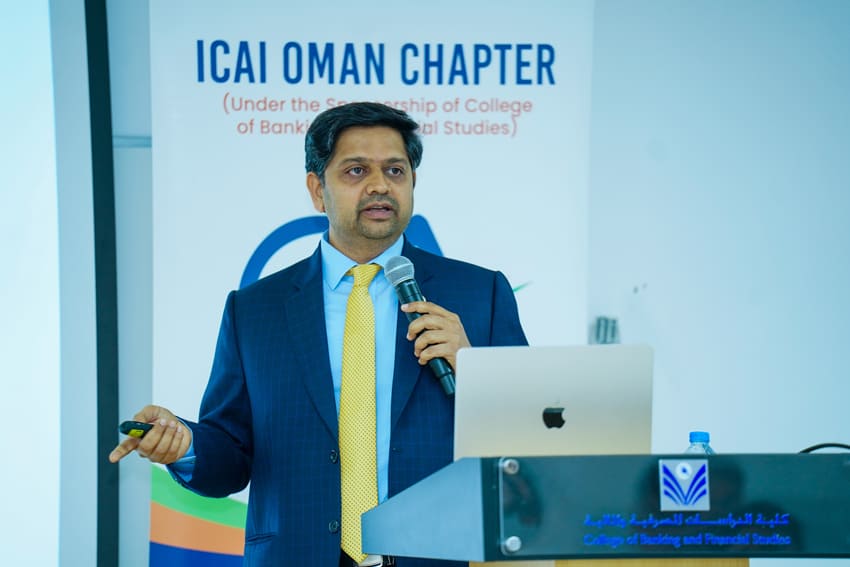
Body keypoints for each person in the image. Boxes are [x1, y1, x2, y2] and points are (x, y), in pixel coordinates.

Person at [110, 101, 528, 566]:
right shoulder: (255, 310)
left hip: (439, 555)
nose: (379, 185)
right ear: (317, 190)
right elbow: (231, 451)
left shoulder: (479, 295)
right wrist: (185, 446)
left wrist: (475, 373)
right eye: (356, 170)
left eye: (395, 170)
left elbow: (531, 442)